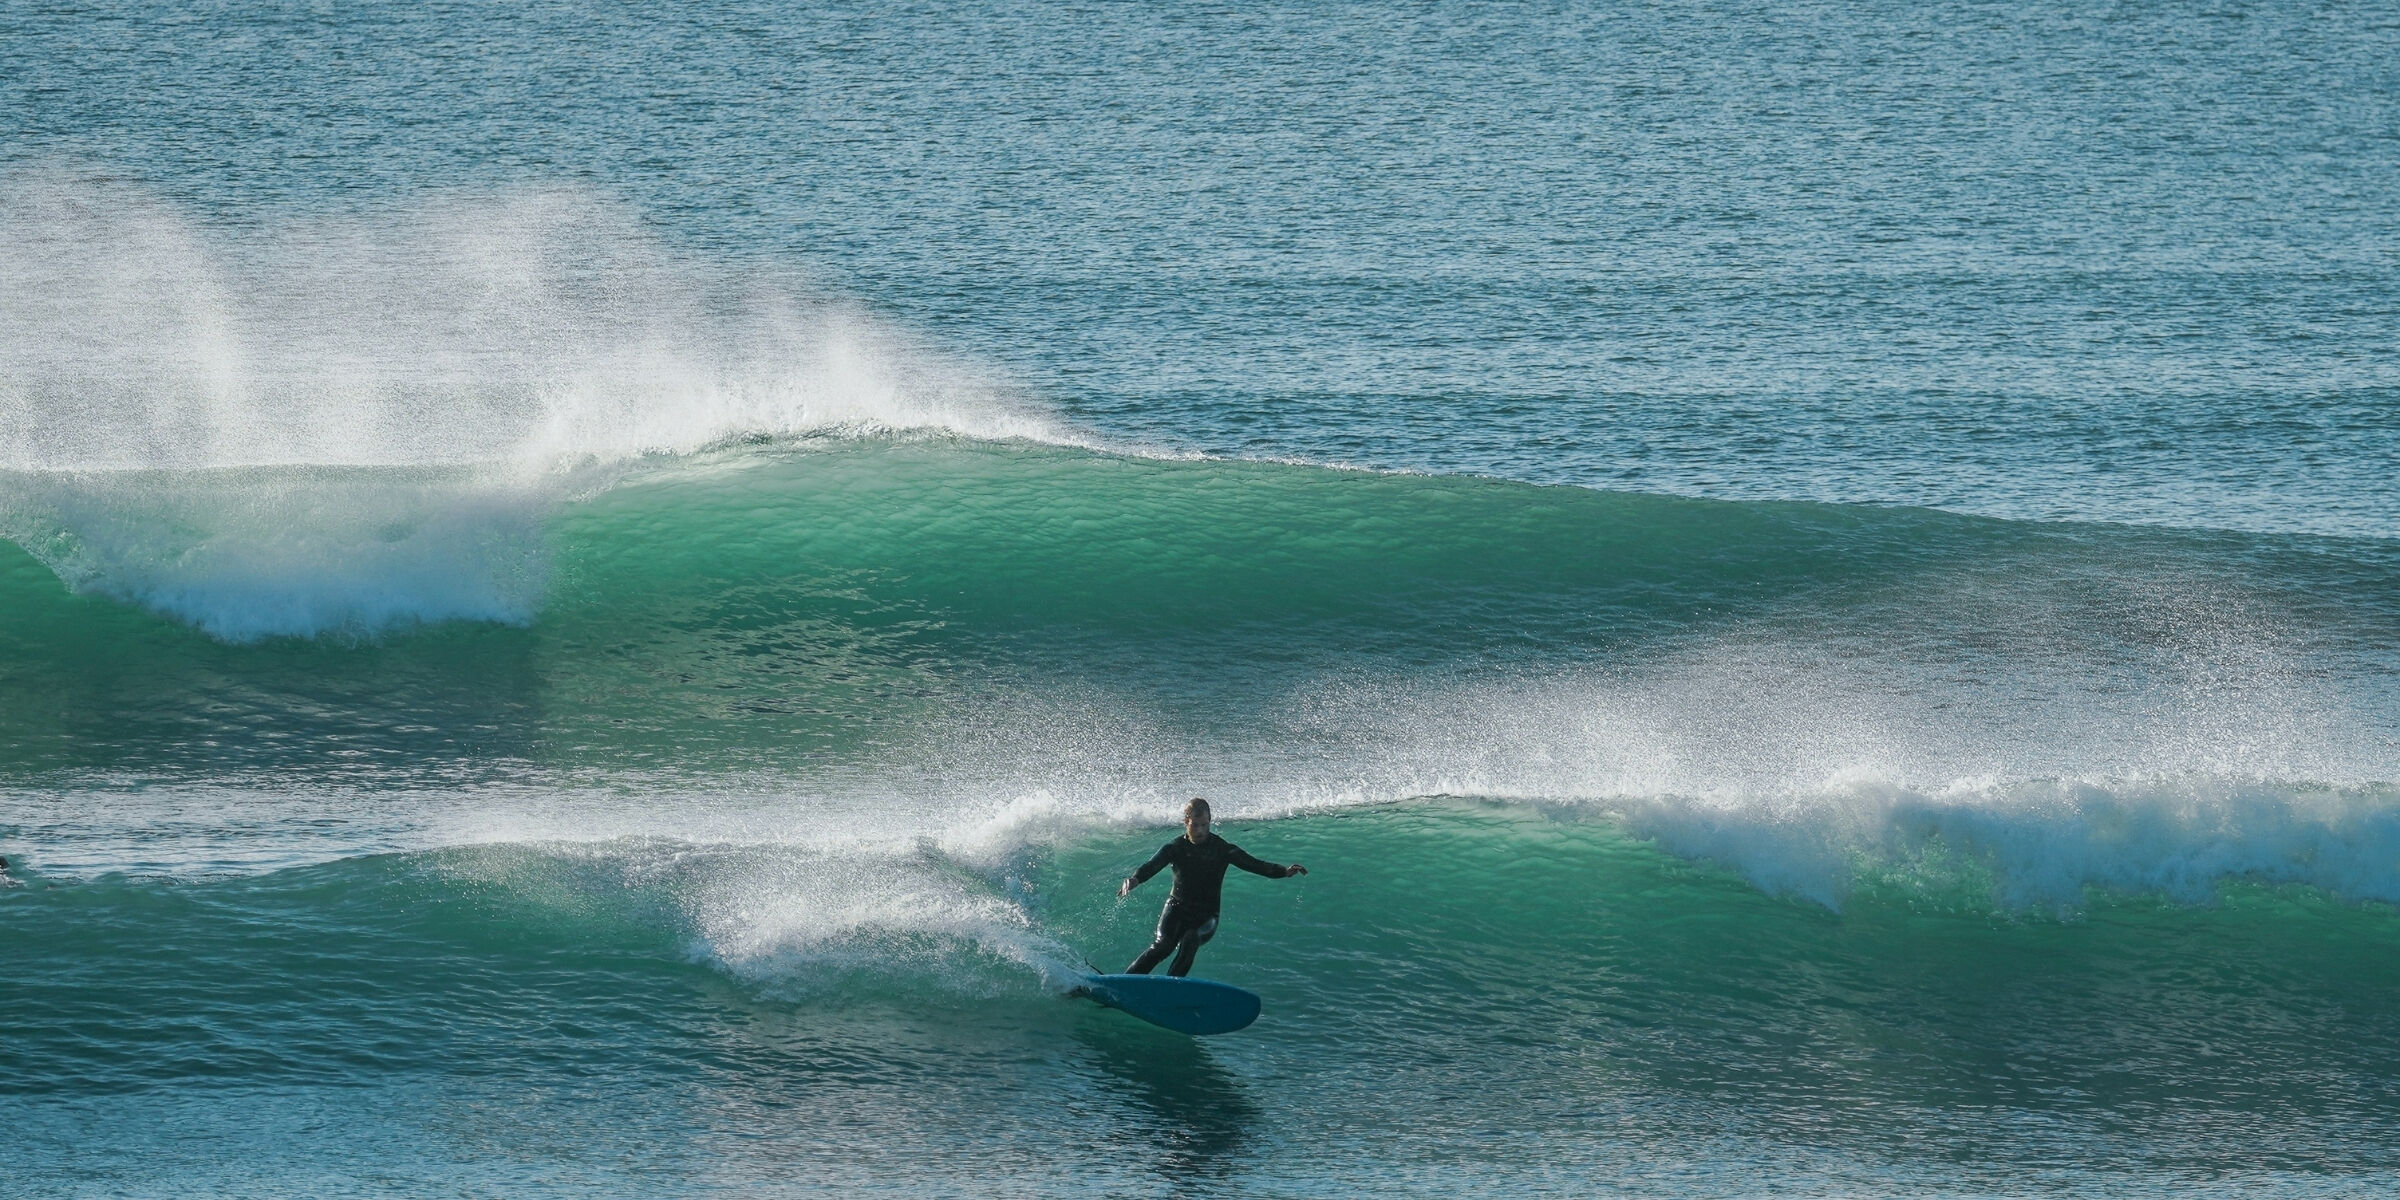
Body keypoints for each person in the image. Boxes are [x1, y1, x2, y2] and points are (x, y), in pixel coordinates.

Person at [1118, 797, 1305, 977]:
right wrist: (1135, 879)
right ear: (1186, 822)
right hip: (1176, 908)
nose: (1199, 831)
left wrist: (1284, 871)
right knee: (1162, 947)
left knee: (1190, 940)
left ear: (1210, 821)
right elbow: (1152, 865)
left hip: (1207, 915)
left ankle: (1170, 988)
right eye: (1195, 825)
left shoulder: (1222, 849)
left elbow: (1254, 864)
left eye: (1204, 825)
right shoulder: (1174, 847)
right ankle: (1122, 983)